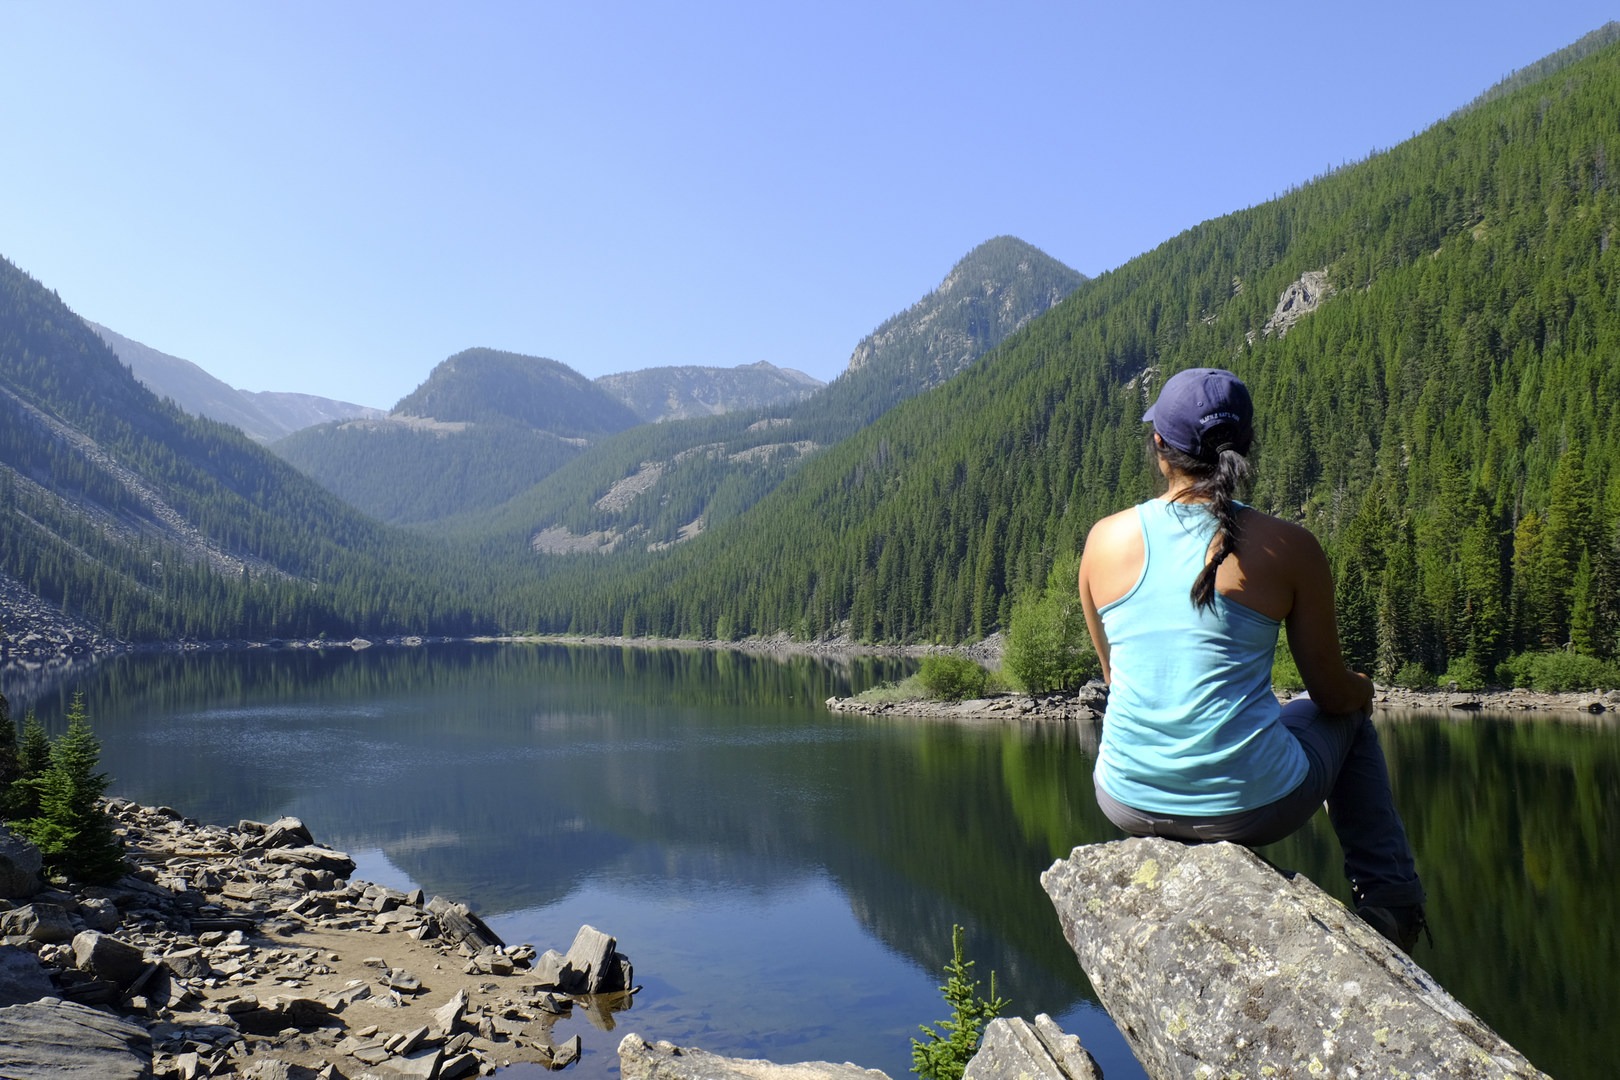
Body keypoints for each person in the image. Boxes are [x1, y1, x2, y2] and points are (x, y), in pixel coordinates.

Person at [1076, 367, 1428, 952]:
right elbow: (1334, 694)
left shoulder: (1103, 540)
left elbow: (1118, 680)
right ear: (1246, 447)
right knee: (1345, 718)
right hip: (1251, 810)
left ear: (1160, 448)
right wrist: (1363, 689)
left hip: (1126, 798)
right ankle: (1392, 902)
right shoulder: (1289, 547)